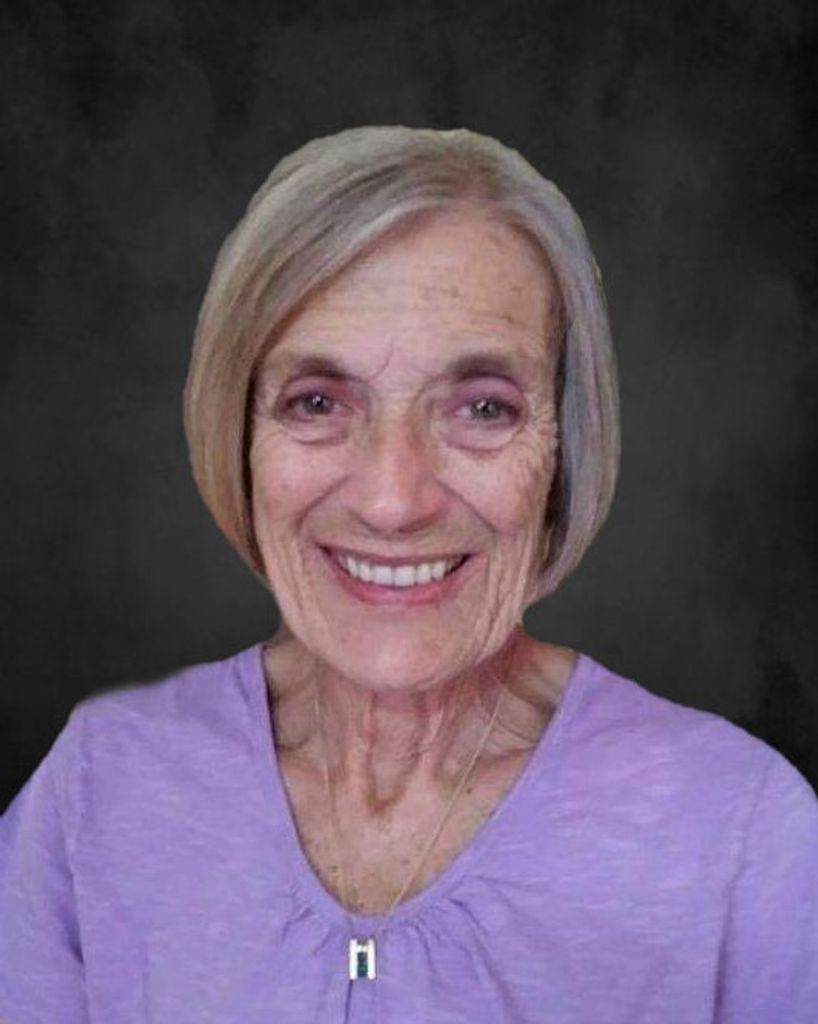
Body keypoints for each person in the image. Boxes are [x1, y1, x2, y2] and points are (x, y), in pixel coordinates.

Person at [1, 125, 816, 1024]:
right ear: (238, 438)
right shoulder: (101, 788)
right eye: (317, 402)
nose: (393, 501)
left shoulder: (741, 835)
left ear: (564, 451)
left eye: (482, 408)